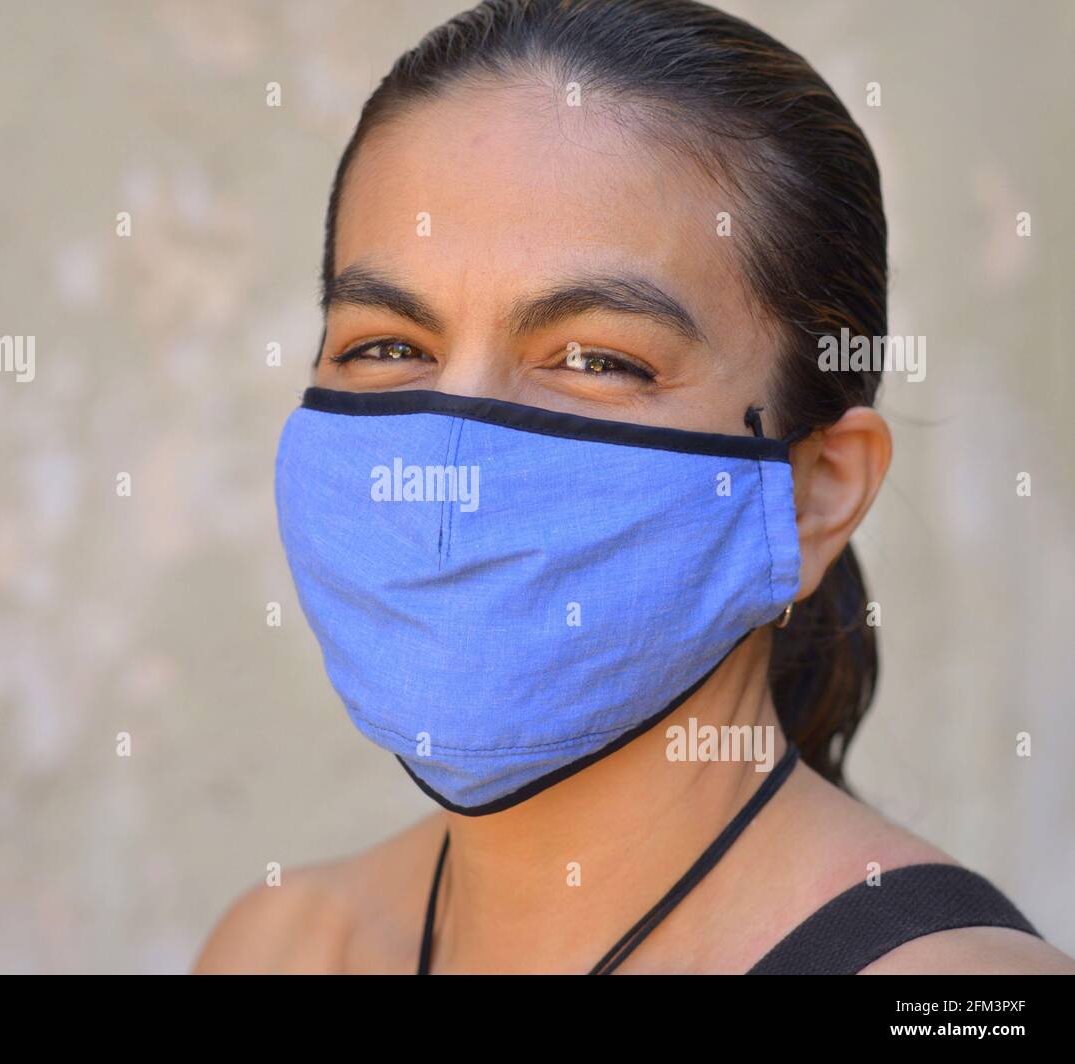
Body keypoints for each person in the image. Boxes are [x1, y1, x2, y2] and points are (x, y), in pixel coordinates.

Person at [196, 0, 1075, 974]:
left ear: (816, 489)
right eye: (390, 344)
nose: (448, 463)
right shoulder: (281, 944)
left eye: (596, 359)